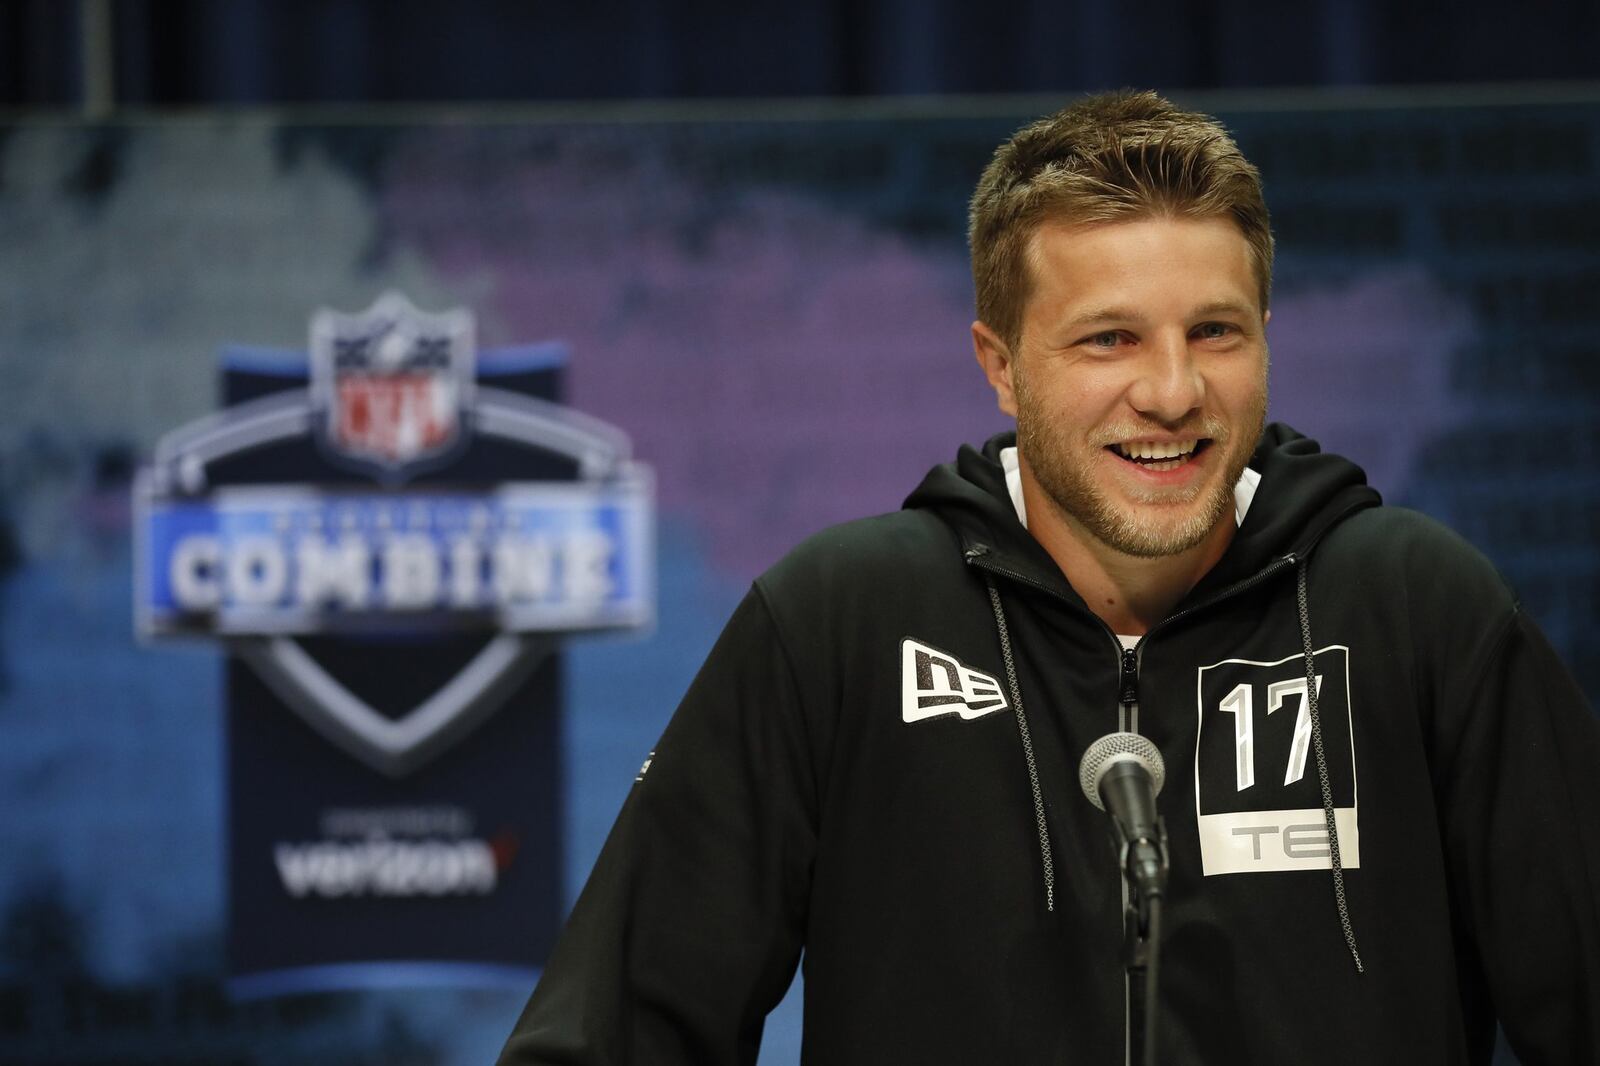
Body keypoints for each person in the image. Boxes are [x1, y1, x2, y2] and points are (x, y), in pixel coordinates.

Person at [498, 90, 1600, 1065]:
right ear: (1000, 366)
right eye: (1108, 340)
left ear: (1266, 335)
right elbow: (612, 1033)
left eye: (1213, 331)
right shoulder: (841, 623)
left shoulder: (1418, 610)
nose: (1171, 392)